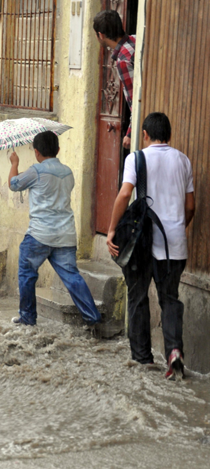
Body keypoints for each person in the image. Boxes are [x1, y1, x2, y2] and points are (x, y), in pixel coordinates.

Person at [107, 113, 195, 380]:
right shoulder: (183, 160)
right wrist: (178, 228)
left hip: (142, 245)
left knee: (138, 298)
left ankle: (143, 361)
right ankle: (174, 352)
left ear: (144, 134)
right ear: (169, 134)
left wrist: (111, 229)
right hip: (175, 245)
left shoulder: (137, 158)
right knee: (170, 300)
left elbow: (125, 193)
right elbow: (190, 206)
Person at [8, 131, 101, 327]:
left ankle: (27, 318)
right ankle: (92, 318)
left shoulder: (36, 170)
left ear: (36, 152)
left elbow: (14, 184)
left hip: (40, 235)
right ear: (58, 150)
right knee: (72, 277)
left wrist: (14, 165)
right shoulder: (67, 172)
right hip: (65, 235)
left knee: (26, 272)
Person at [93, 9, 135, 149]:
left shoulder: (123, 61)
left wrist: (129, 134)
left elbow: (134, 100)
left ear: (101, 35)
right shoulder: (136, 39)